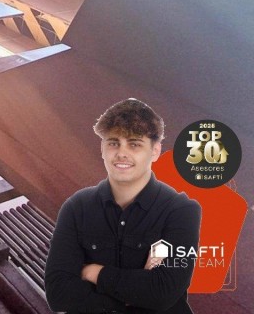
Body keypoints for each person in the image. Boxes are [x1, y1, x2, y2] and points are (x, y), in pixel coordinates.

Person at [44, 98, 201, 313]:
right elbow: (58, 294)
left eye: (134, 144)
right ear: (102, 148)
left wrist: (93, 272)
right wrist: (133, 297)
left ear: (155, 151)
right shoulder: (76, 207)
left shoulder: (182, 212)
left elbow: (163, 292)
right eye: (113, 143)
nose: (121, 153)